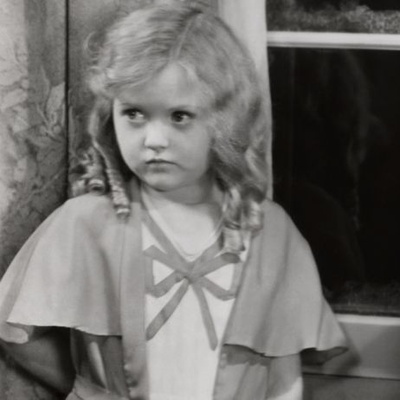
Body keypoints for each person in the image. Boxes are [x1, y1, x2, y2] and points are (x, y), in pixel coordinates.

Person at [0, 1, 347, 399]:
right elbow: (14, 333)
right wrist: (89, 390)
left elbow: (285, 378)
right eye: (134, 113)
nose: (154, 140)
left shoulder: (269, 232)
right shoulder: (85, 223)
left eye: (180, 116)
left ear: (226, 119)